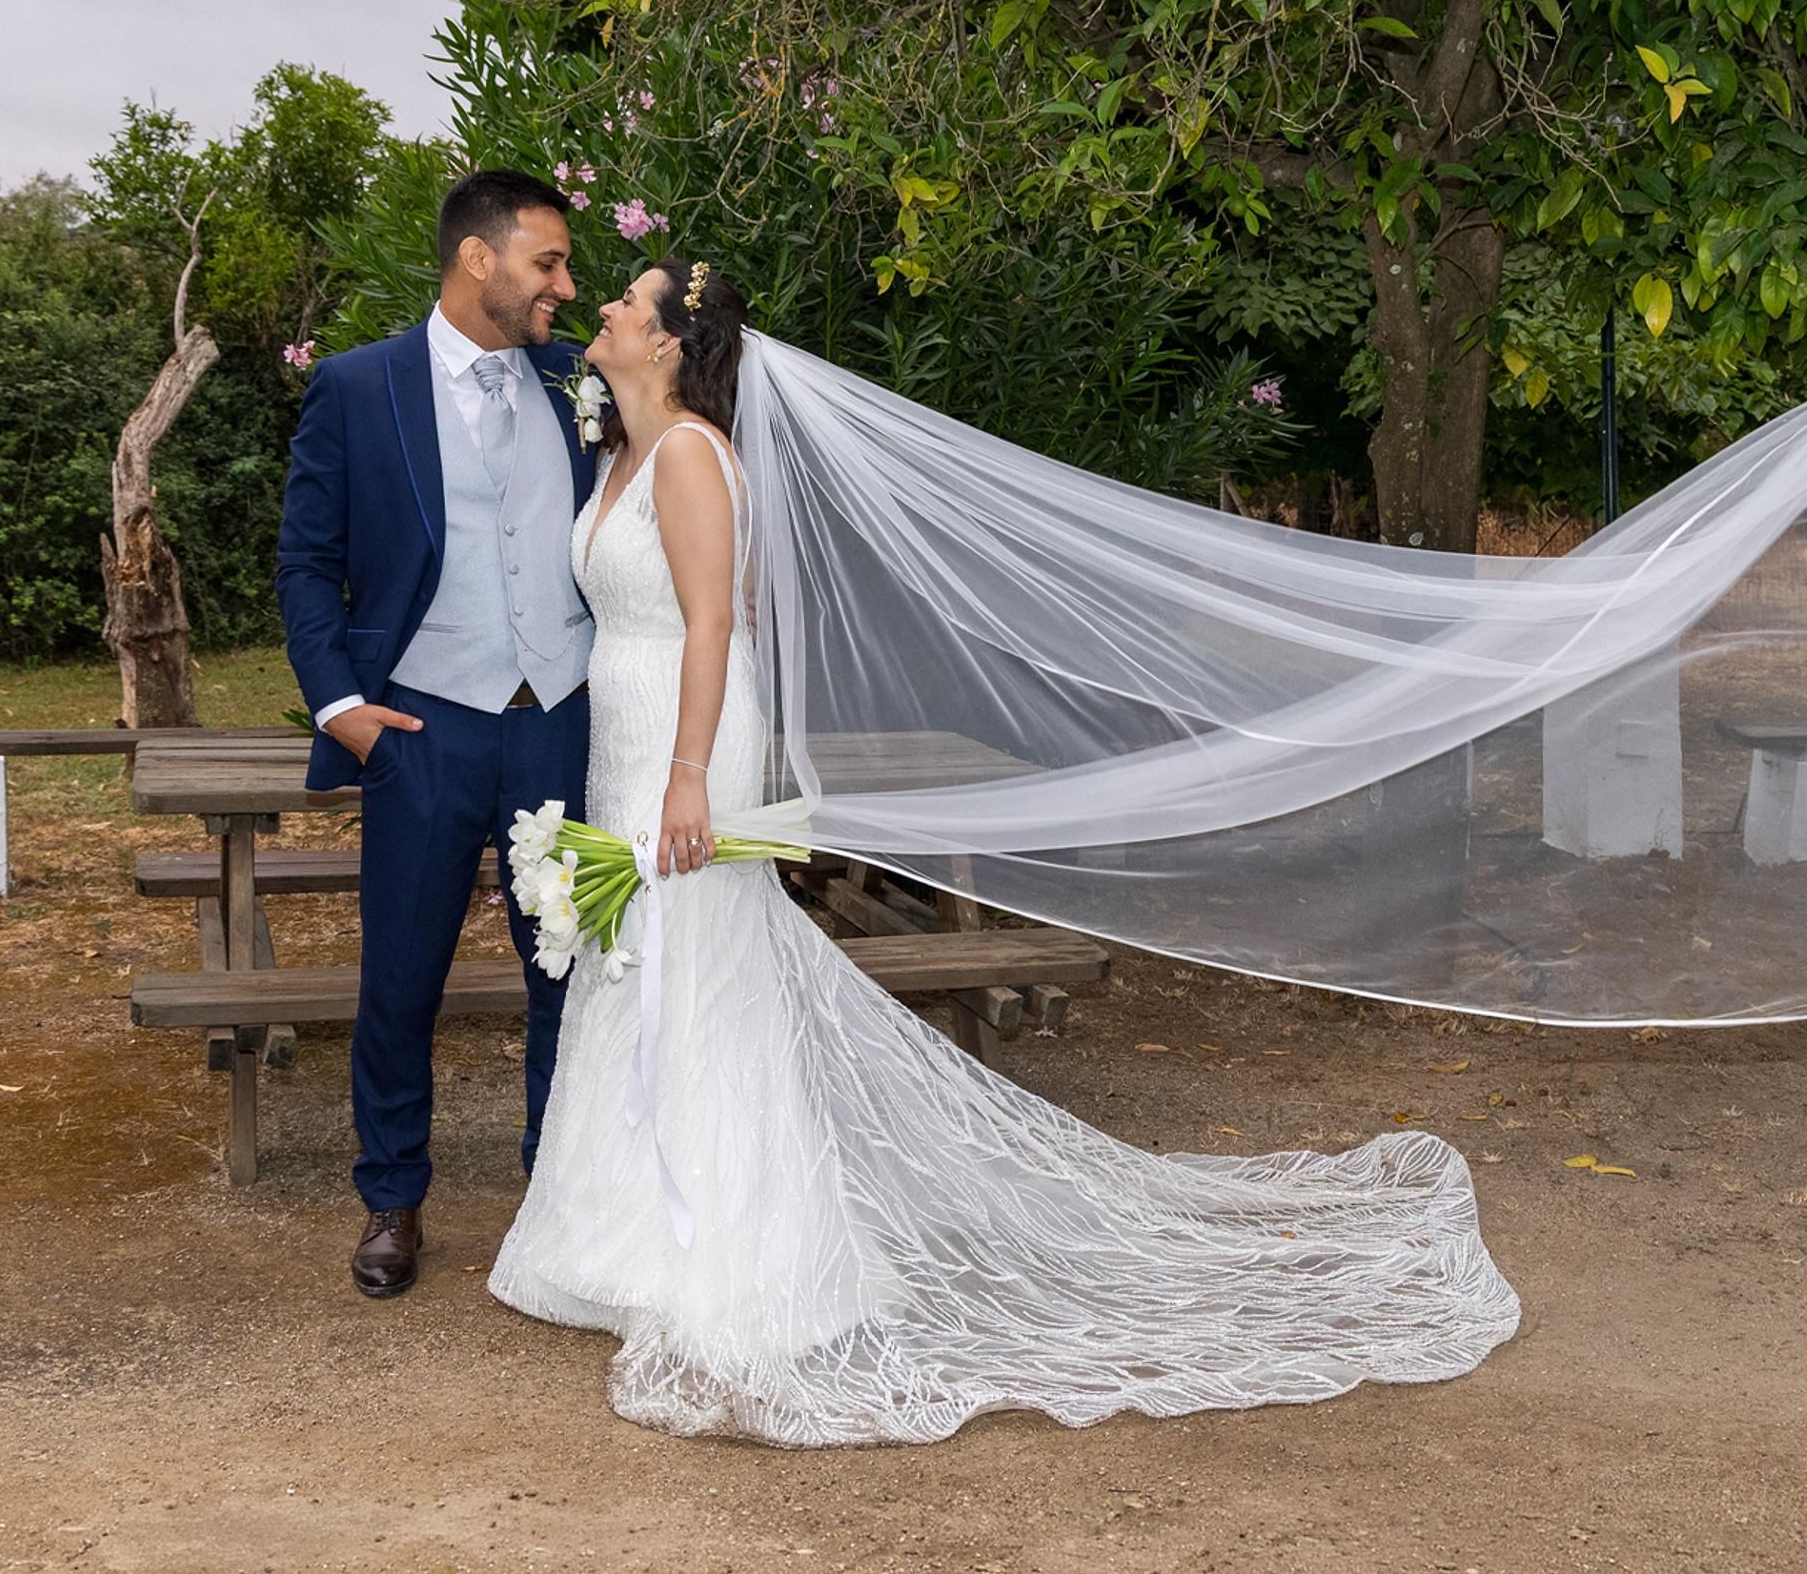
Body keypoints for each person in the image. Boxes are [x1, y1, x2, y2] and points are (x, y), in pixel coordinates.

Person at [486, 258, 1520, 1446]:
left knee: (699, 970)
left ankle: (738, 1257)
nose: (608, 308)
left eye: (629, 301)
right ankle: (617, 1242)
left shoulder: (684, 456)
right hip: (628, 731)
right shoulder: (620, 451)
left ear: (669, 343)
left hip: (686, 739)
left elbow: (716, 620)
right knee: (638, 969)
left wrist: (685, 775)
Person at [276, 169, 597, 1298]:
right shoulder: (358, 387)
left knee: (569, 970)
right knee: (402, 977)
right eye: (548, 262)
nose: (565, 285)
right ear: (478, 259)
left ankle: (560, 1191)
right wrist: (342, 709)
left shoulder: (581, 381)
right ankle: (391, 1196)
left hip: (561, 720)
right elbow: (306, 562)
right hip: (420, 725)